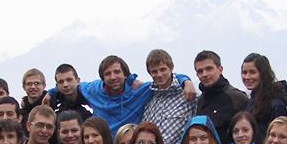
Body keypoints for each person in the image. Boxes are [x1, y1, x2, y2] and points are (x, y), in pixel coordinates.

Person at [47, 54, 194, 135]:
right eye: (108, 74)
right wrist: (50, 93)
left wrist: (186, 81)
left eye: (117, 72)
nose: (113, 77)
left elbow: (164, 79)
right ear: (102, 77)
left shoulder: (140, 91)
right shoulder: (93, 90)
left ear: (125, 74)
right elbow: (70, 85)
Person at [142, 49, 195, 144]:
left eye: (163, 69)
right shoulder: (149, 98)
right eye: (154, 71)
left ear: (171, 68)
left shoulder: (188, 95)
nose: (159, 75)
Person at [193, 50, 248, 144]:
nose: (204, 74)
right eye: (200, 71)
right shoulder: (199, 101)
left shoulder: (237, 98)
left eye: (209, 69)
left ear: (220, 69)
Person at [241, 53, 287, 144]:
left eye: (252, 72)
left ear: (263, 73)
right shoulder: (251, 102)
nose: (247, 77)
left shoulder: (276, 104)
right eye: (244, 72)